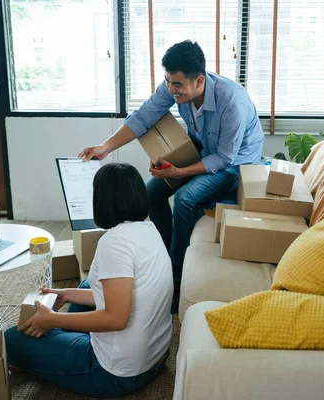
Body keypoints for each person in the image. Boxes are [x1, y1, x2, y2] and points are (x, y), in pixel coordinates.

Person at [79, 40, 264, 313]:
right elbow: (143, 117)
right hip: (200, 151)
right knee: (149, 193)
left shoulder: (231, 101)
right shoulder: (175, 88)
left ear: (199, 81)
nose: (170, 89)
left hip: (235, 164)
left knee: (186, 199)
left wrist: (178, 173)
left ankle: (175, 278)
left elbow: (224, 157)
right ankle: (163, 256)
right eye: (167, 82)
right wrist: (105, 147)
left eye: (176, 84)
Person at [4, 163, 173, 397]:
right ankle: (57, 345)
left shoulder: (114, 243)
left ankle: (49, 351)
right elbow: (127, 295)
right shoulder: (149, 229)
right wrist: (67, 294)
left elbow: (116, 318)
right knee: (84, 286)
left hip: (114, 373)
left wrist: (54, 320)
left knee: (10, 339)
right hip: (155, 357)